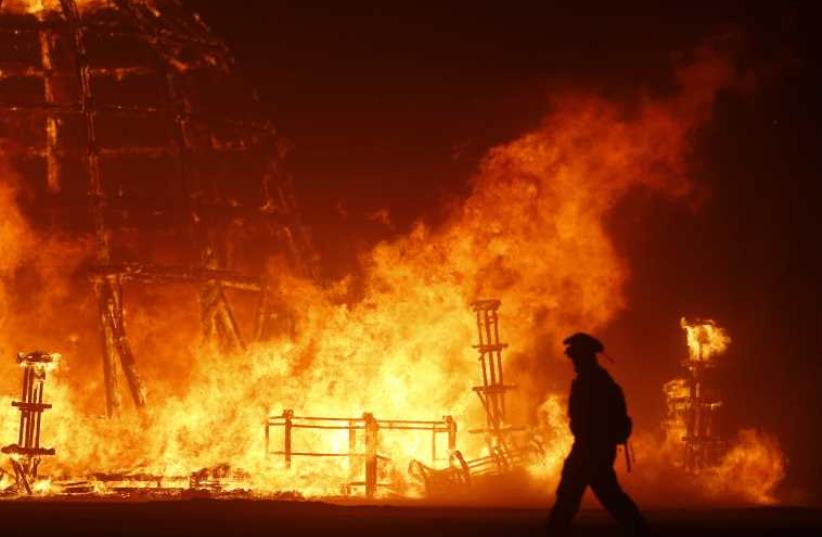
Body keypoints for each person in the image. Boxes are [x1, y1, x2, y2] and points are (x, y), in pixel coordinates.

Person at [546, 332, 650, 536]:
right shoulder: (592, 381)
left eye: (575, 356)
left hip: (593, 449)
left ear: (585, 356)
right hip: (587, 447)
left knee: (602, 495)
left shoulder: (597, 384)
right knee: (573, 494)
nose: (573, 361)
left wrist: (591, 442)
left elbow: (593, 420)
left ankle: (640, 530)